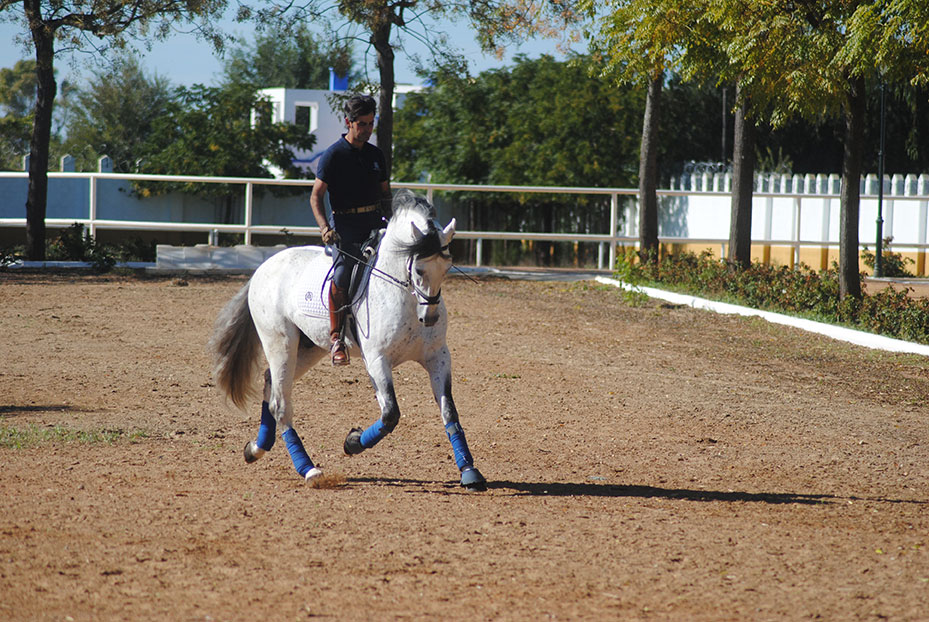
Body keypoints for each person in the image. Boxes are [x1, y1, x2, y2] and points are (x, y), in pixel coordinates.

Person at [310, 93, 392, 366]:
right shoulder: (333, 156)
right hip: (344, 226)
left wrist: (392, 222)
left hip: (374, 224)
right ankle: (336, 338)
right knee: (343, 271)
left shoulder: (376, 156)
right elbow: (315, 196)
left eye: (371, 124)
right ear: (349, 122)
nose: (368, 130)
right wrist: (325, 228)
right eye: (363, 124)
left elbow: (385, 195)